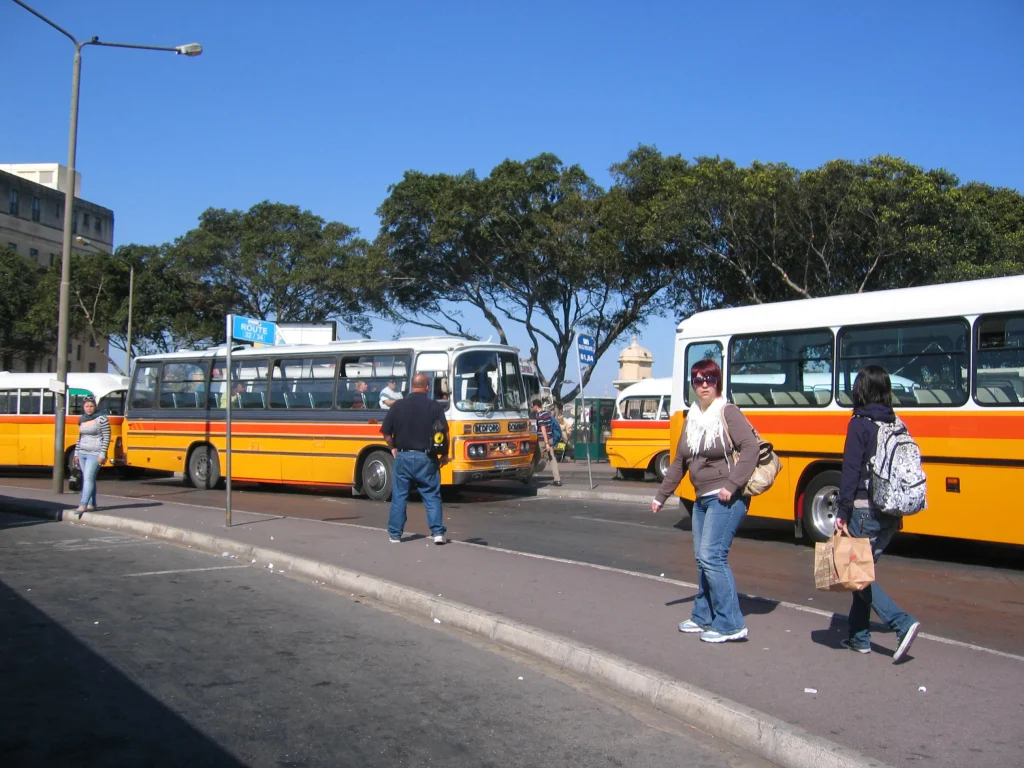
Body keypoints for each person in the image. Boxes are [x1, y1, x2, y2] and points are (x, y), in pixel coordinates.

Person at [651, 359, 758, 643]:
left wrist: (732, 485)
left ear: (717, 382)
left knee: (713, 557)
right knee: (702, 559)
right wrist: (661, 496)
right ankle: (703, 615)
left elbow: (751, 449)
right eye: (697, 380)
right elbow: (679, 461)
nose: (703, 385)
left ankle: (731, 623)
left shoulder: (728, 412)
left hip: (725, 498)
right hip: (701, 499)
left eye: (709, 379)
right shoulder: (693, 416)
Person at [835, 365, 921, 662]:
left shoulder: (859, 423)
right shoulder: (895, 422)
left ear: (861, 389)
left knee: (857, 575)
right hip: (890, 511)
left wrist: (842, 510)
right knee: (862, 573)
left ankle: (901, 623)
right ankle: (858, 636)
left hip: (863, 510)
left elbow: (850, 471)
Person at [380, 373, 450, 544]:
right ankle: (437, 533)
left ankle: (395, 534)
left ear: (412, 386)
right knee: (431, 494)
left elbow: (386, 433)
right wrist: (445, 454)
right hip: (426, 457)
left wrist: (393, 448)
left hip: (403, 456)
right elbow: (444, 433)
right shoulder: (434, 406)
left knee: (400, 496)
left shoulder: (397, 406)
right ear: (427, 387)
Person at [73, 396, 111, 517]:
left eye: (92, 406)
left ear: (95, 407)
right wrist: (76, 453)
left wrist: (103, 453)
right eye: (87, 406)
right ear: (83, 407)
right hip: (82, 452)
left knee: (88, 478)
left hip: (95, 453)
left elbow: (106, 437)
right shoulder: (82, 419)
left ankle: (82, 505)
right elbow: (80, 437)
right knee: (89, 478)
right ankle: (91, 504)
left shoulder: (101, 419)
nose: (89, 409)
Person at [531, 399, 562, 487]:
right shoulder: (548, 415)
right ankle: (557, 479)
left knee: (534, 458)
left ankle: (527, 477)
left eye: (532, 406)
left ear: (536, 406)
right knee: (552, 459)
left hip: (542, 440)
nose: (532, 408)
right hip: (550, 439)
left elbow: (543, 429)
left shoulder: (539, 416)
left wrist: (546, 443)